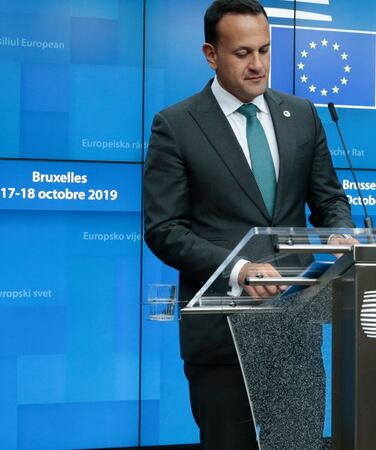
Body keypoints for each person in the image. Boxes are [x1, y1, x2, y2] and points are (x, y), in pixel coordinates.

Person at [142, 1, 354, 448]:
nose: (258, 65)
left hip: (295, 324)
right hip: (222, 333)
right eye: (243, 53)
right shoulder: (176, 125)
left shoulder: (302, 114)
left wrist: (339, 231)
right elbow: (164, 229)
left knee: (299, 443)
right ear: (210, 54)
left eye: (265, 50)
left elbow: (328, 198)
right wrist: (238, 268)